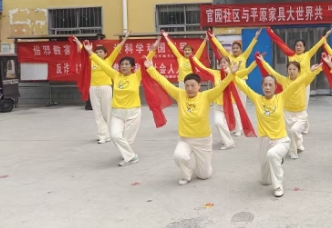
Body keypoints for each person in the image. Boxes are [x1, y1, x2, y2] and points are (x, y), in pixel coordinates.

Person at [144, 57, 240, 185]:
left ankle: (204, 164)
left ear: (199, 86)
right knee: (179, 156)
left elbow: (222, 86)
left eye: (193, 85)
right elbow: (164, 82)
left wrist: (231, 74)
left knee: (204, 175)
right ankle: (186, 175)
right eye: (187, 86)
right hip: (185, 138)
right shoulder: (180, 94)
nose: (189, 88)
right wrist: (150, 68)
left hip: (203, 140)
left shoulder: (206, 96)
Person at [233, 66, 318, 197]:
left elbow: (297, 83)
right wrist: (232, 73)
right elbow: (242, 86)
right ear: (262, 87)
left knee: (272, 154)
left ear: (275, 87)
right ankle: (277, 160)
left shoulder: (281, 97)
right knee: (265, 181)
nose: (268, 87)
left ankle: (278, 186)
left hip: (281, 140)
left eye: (270, 85)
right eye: (265, 85)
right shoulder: (257, 99)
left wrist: (309, 71)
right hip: (264, 140)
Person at [82, 36, 160, 166]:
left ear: (132, 67)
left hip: (133, 112)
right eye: (122, 64)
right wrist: (89, 51)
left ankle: (129, 156)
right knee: (115, 135)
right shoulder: (115, 75)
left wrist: (154, 48)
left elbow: (147, 60)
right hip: (117, 112)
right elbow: (100, 62)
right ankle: (132, 157)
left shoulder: (136, 76)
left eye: (126, 64)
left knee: (127, 141)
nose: (124, 66)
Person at [256, 55, 322, 159]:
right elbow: (272, 72)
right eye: (290, 69)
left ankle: (293, 152)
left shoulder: (303, 80)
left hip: (300, 113)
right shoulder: (283, 80)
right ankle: (298, 145)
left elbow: (313, 73)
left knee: (294, 131)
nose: (292, 71)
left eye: (294, 69)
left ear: (298, 71)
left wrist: (322, 66)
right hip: (287, 113)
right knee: (290, 133)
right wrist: (263, 61)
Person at [73, 32, 131, 144]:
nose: (99, 53)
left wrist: (125, 38)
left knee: (107, 112)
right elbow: (83, 50)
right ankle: (102, 135)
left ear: (105, 54)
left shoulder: (108, 61)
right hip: (93, 88)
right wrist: (77, 41)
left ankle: (110, 134)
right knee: (97, 113)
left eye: (101, 52)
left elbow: (118, 48)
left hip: (106, 88)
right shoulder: (91, 61)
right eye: (97, 52)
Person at [191, 55, 258, 150]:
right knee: (218, 123)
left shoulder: (234, 73)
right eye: (221, 62)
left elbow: (247, 71)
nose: (222, 64)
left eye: (225, 62)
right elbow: (202, 68)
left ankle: (232, 136)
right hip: (218, 104)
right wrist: (193, 58)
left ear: (229, 64)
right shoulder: (215, 73)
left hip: (231, 103)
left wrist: (255, 62)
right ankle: (228, 141)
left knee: (231, 121)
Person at [209, 29, 261, 135]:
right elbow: (220, 47)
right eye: (233, 48)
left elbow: (250, 47)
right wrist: (213, 37)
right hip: (231, 83)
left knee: (241, 106)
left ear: (241, 49)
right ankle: (236, 127)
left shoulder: (244, 56)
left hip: (241, 83)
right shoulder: (228, 56)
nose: (235, 49)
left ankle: (240, 129)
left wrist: (255, 37)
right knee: (234, 106)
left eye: (237, 48)